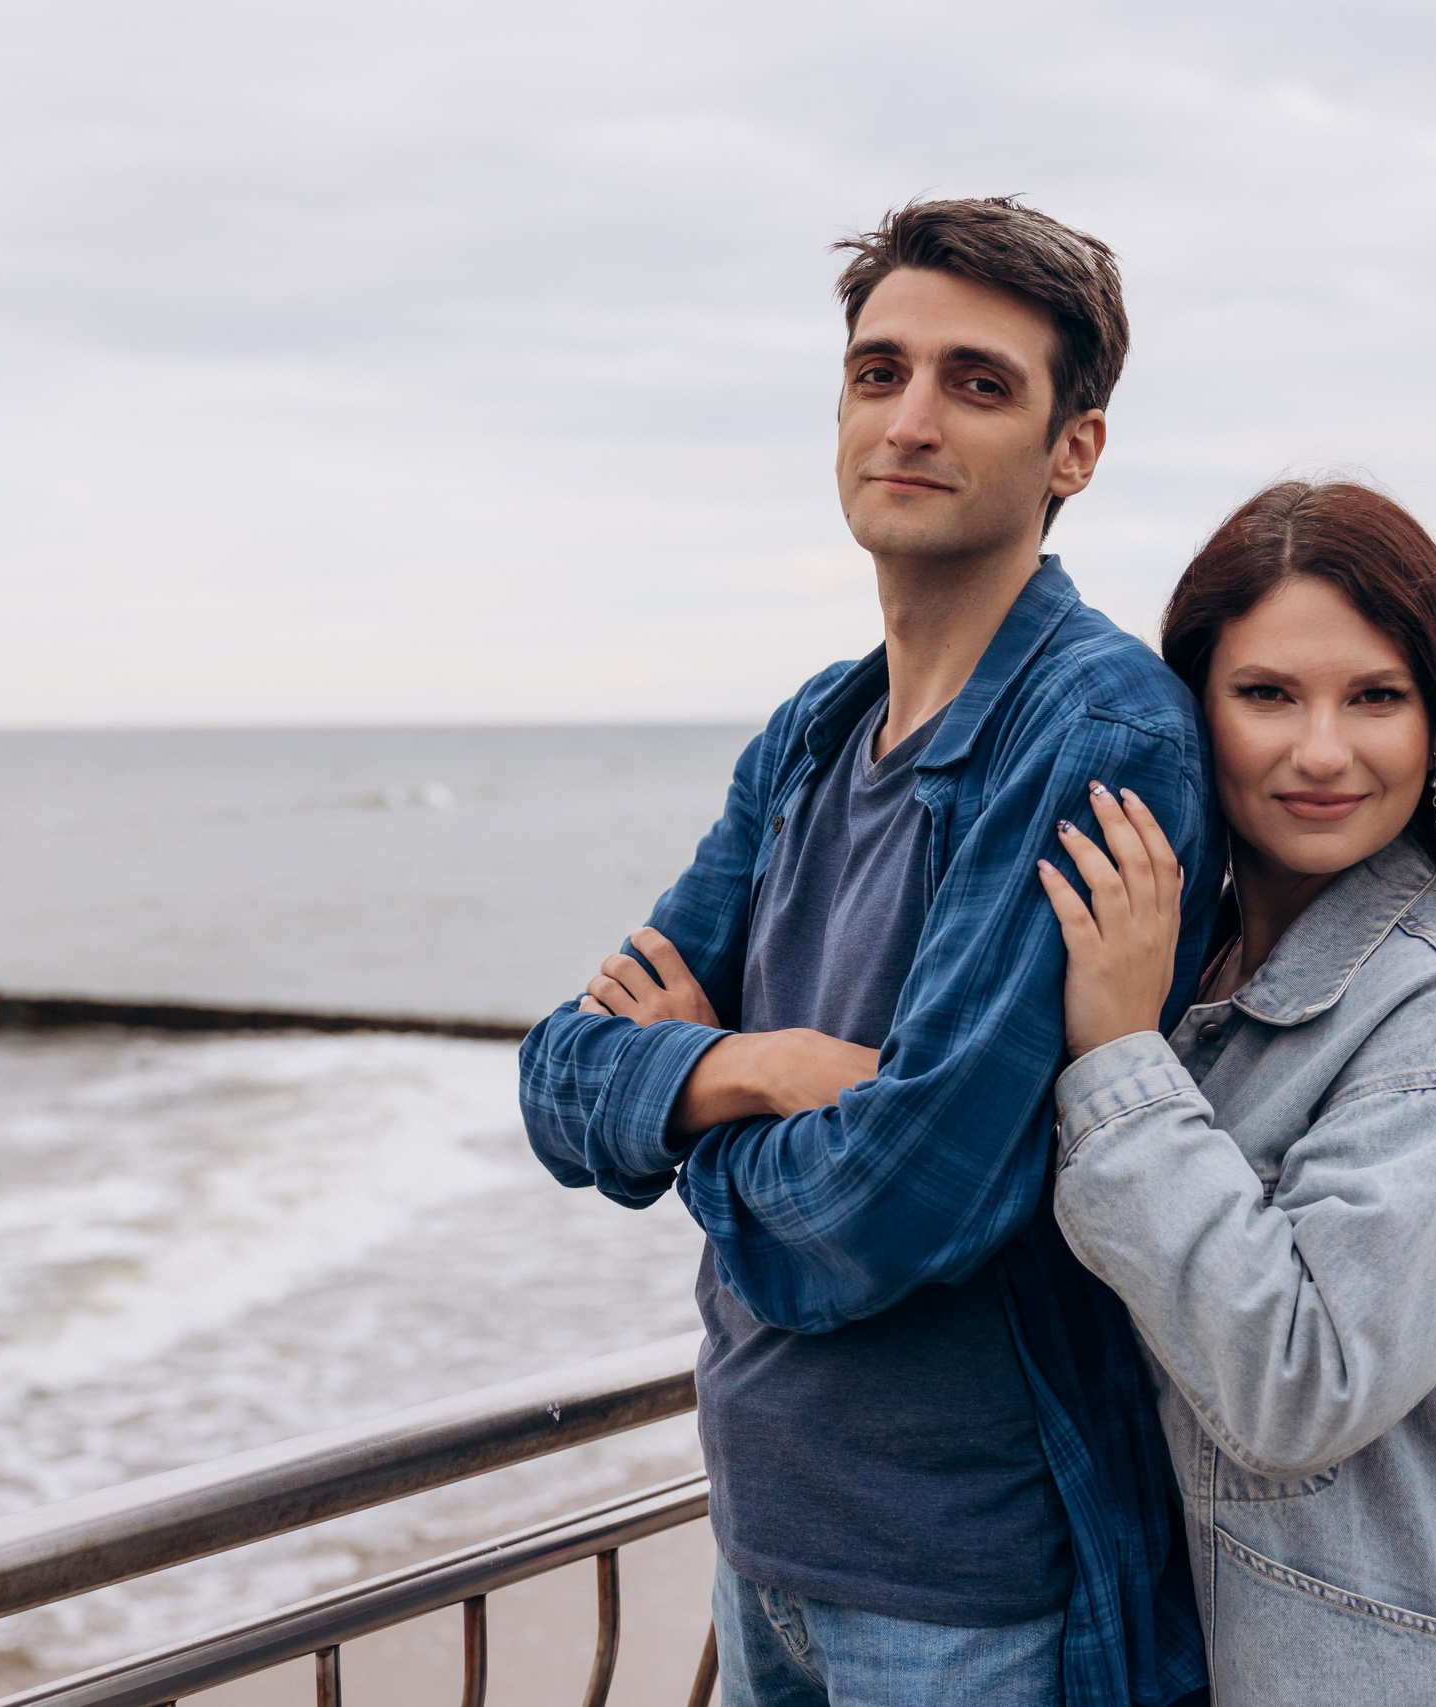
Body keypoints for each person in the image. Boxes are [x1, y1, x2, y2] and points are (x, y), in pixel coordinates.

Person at [519, 197, 1215, 1707]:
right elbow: (555, 1076)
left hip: (971, 1588)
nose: (909, 417)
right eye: (877, 370)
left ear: (1072, 449)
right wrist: (759, 1063)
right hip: (767, 1538)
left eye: (979, 382)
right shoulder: (815, 731)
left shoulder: (1096, 732)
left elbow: (905, 1195)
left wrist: (681, 1113)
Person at [1036, 480, 1436, 1704]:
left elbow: (1300, 1381)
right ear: (1191, 710)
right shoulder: (1193, 969)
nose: (1320, 749)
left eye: (1374, 696)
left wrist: (1116, 1059)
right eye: (1267, 693)